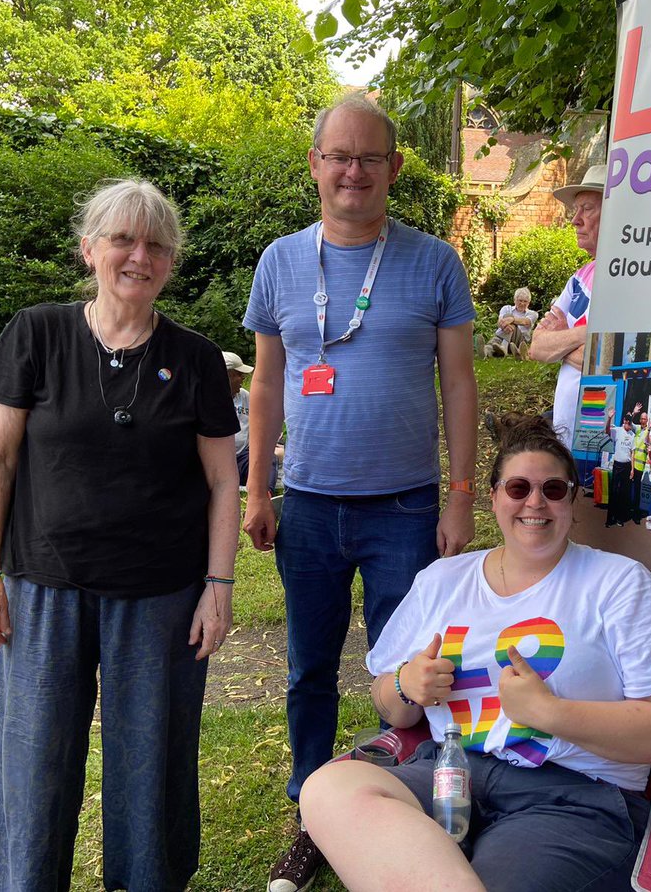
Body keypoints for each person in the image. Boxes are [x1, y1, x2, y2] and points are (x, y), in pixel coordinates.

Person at [0, 179, 241, 891]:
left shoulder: (199, 359)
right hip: (42, 586)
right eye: (122, 239)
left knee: (151, 761)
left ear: (170, 263)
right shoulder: (37, 332)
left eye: (155, 245)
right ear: (90, 249)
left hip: (161, 596)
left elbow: (220, 483)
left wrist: (219, 587)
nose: (137, 256)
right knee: (33, 759)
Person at [299, 416, 651, 891]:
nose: (535, 502)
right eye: (517, 487)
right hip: (449, 773)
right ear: (493, 499)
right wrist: (406, 685)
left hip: (571, 794)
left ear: (571, 502)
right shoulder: (443, 580)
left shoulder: (619, 583)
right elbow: (388, 704)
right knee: (327, 787)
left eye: (553, 489)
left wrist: (550, 712)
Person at [240, 94, 478, 892]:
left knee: (406, 670)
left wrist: (459, 496)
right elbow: (266, 385)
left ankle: (395, 795)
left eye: (368, 158)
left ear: (394, 169)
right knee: (309, 664)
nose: (352, 171)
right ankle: (312, 796)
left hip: (406, 506)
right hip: (307, 502)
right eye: (337, 155)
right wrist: (256, 488)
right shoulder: (279, 261)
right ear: (314, 164)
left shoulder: (435, 260)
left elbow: (459, 382)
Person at [529, 164, 605, 448]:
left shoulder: (632, 276)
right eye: (576, 209)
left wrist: (559, 343)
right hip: (566, 439)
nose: (576, 220)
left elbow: (612, 361)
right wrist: (590, 334)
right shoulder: (580, 277)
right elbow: (537, 347)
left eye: (588, 209)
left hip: (603, 434)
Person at [225, 350, 279, 495]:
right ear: (227, 376)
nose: (243, 378)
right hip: (217, 460)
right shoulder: (207, 398)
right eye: (239, 374)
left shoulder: (244, 395)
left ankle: (264, 495)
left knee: (267, 457)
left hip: (242, 457)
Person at [604, 402, 642, 527]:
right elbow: (607, 430)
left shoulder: (632, 435)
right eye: (627, 421)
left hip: (627, 466)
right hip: (617, 465)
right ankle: (610, 518)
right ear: (624, 421)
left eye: (630, 422)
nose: (629, 424)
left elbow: (632, 453)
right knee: (614, 491)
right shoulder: (617, 431)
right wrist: (609, 418)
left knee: (624, 493)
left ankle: (620, 518)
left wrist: (632, 469)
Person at [481, 286, 538, 358]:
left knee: (509, 318)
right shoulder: (506, 308)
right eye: (520, 300)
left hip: (519, 341)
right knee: (495, 341)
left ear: (528, 303)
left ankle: (504, 347)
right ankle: (485, 351)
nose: (522, 303)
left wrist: (512, 320)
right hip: (503, 334)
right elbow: (499, 322)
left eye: (525, 301)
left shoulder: (533, 314)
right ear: (515, 300)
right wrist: (505, 325)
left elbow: (525, 322)